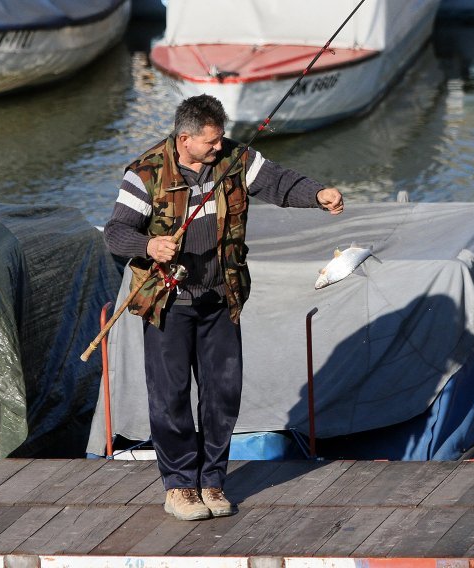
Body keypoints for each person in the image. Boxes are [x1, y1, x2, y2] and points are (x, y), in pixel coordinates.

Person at [104, 94, 344, 521]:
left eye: (220, 139)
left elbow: (278, 182)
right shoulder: (144, 175)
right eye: (211, 142)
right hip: (168, 301)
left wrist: (318, 193)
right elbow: (116, 233)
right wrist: (149, 245)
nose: (220, 147)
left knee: (223, 393)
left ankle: (212, 481)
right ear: (185, 139)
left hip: (220, 297)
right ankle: (180, 486)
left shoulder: (235, 158)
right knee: (171, 396)